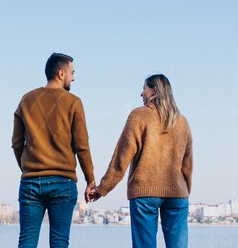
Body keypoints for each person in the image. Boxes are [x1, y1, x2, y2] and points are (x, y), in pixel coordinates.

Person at [88, 74, 193, 248]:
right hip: (177, 194)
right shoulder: (182, 122)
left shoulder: (139, 116)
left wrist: (102, 188)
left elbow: (121, 158)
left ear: (154, 90)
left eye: (144, 88)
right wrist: (184, 189)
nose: (141, 93)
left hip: (145, 193)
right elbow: (187, 164)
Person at [12, 53, 96, 248]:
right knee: (59, 242)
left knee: (26, 241)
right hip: (63, 182)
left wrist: (27, 168)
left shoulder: (26, 100)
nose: (73, 78)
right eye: (72, 73)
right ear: (61, 73)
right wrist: (90, 179)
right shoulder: (73, 102)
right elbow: (81, 145)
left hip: (31, 182)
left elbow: (17, 142)